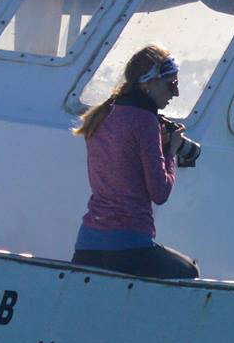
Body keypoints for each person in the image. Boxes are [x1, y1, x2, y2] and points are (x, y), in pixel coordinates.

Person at [71, 45, 200, 280]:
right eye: (172, 84)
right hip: (128, 247)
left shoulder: (103, 113)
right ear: (149, 82)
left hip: (87, 244)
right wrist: (170, 150)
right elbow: (160, 192)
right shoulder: (145, 121)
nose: (176, 93)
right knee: (189, 272)